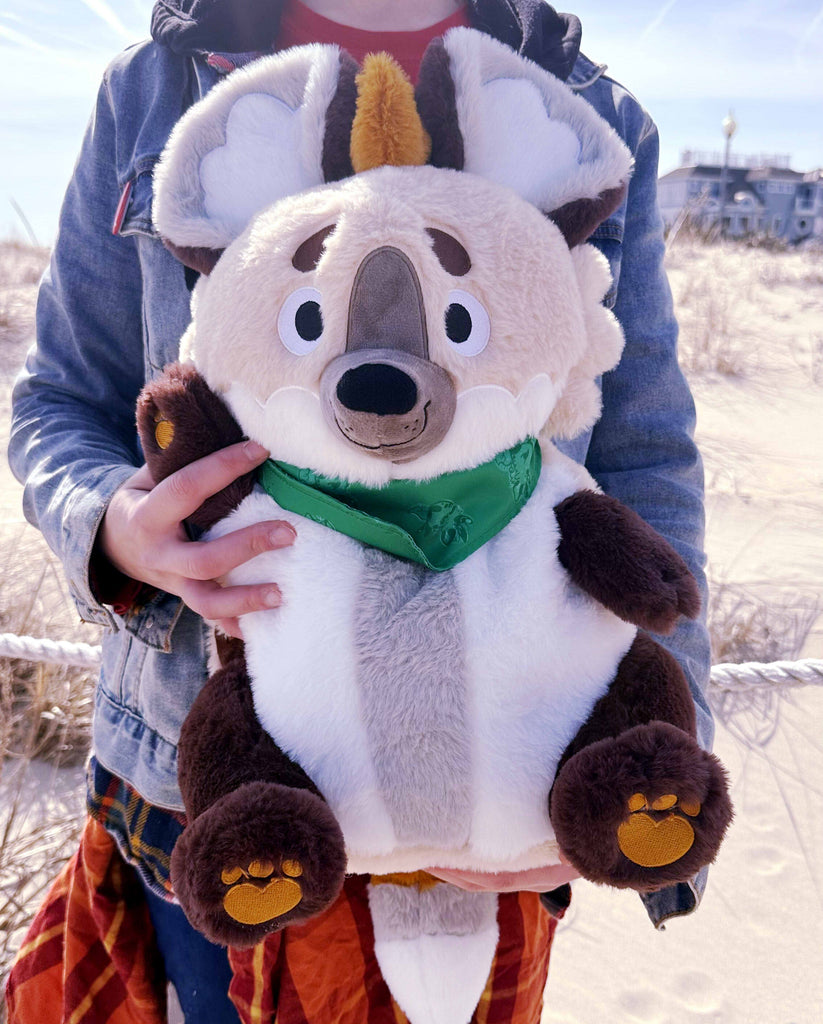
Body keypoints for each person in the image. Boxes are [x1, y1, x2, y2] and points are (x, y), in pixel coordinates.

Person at [6, 1, 715, 1021]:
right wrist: (114, 528)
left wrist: (656, 741)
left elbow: (646, 456)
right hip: (205, 782)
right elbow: (62, 400)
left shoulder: (586, 111)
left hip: (514, 782)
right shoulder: (152, 90)